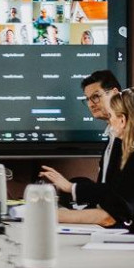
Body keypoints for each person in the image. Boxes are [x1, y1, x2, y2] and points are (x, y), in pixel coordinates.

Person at [47, 87, 134, 234]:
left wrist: (50, 215)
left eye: (110, 117)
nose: (109, 123)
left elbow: (109, 217)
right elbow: (117, 194)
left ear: (122, 120)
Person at [39, 70, 121, 207]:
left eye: (95, 97)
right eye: (87, 99)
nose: (90, 104)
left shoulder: (128, 136)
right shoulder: (111, 135)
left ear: (114, 93)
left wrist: (70, 187)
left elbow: (117, 193)